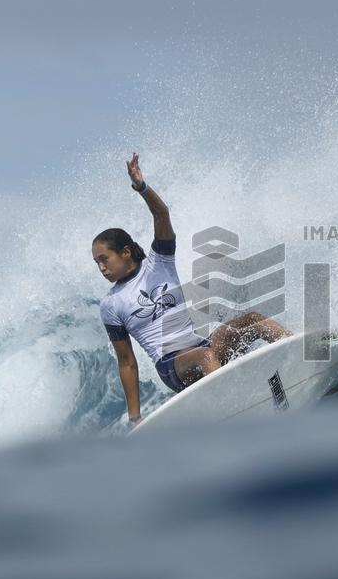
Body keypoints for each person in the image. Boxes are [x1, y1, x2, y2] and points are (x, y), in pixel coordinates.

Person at [92, 153, 291, 427]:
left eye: (104, 259)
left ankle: (300, 354)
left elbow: (161, 213)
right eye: (97, 263)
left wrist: (141, 186)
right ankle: (236, 414)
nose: (101, 268)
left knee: (254, 320)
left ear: (125, 252)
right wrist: (135, 417)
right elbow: (126, 361)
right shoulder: (111, 305)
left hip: (201, 347)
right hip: (171, 366)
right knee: (207, 356)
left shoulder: (160, 262)